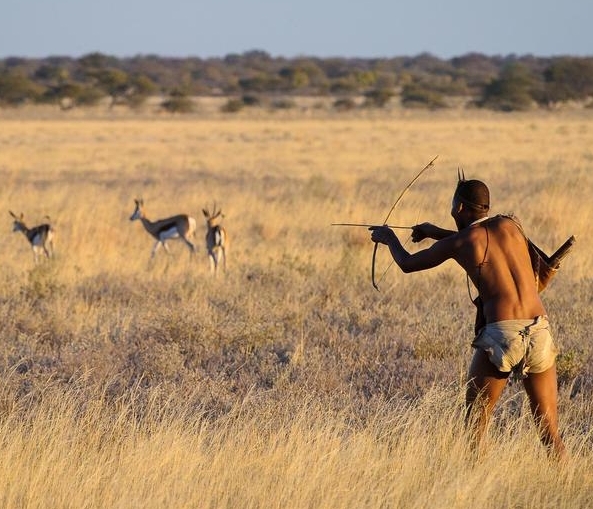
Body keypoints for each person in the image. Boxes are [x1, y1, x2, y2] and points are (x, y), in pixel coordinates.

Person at [369, 177, 567, 460]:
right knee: (549, 432)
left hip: (501, 334)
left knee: (475, 428)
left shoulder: (462, 242)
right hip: (539, 331)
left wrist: (389, 238)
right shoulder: (510, 226)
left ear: (459, 206)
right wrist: (436, 232)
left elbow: (408, 264)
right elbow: (478, 241)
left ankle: (474, 491)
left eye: (452, 203)